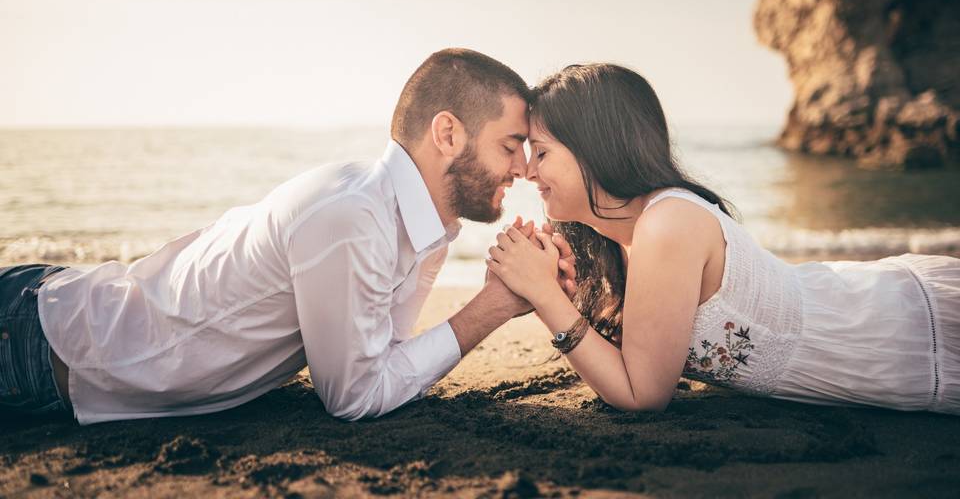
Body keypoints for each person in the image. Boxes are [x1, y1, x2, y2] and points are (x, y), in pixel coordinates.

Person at [0, 47, 576, 424]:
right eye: (509, 145)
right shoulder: (353, 216)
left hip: (56, 322)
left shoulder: (428, 227)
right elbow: (353, 397)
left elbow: (383, 362)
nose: (525, 169)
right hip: (37, 341)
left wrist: (505, 289)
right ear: (447, 133)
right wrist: (494, 305)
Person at [486, 63, 960, 414]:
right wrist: (568, 293)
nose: (527, 170)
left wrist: (546, 297)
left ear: (596, 148)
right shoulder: (626, 241)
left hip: (909, 329)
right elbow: (636, 364)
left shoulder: (668, 223)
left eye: (542, 152)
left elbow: (640, 395)